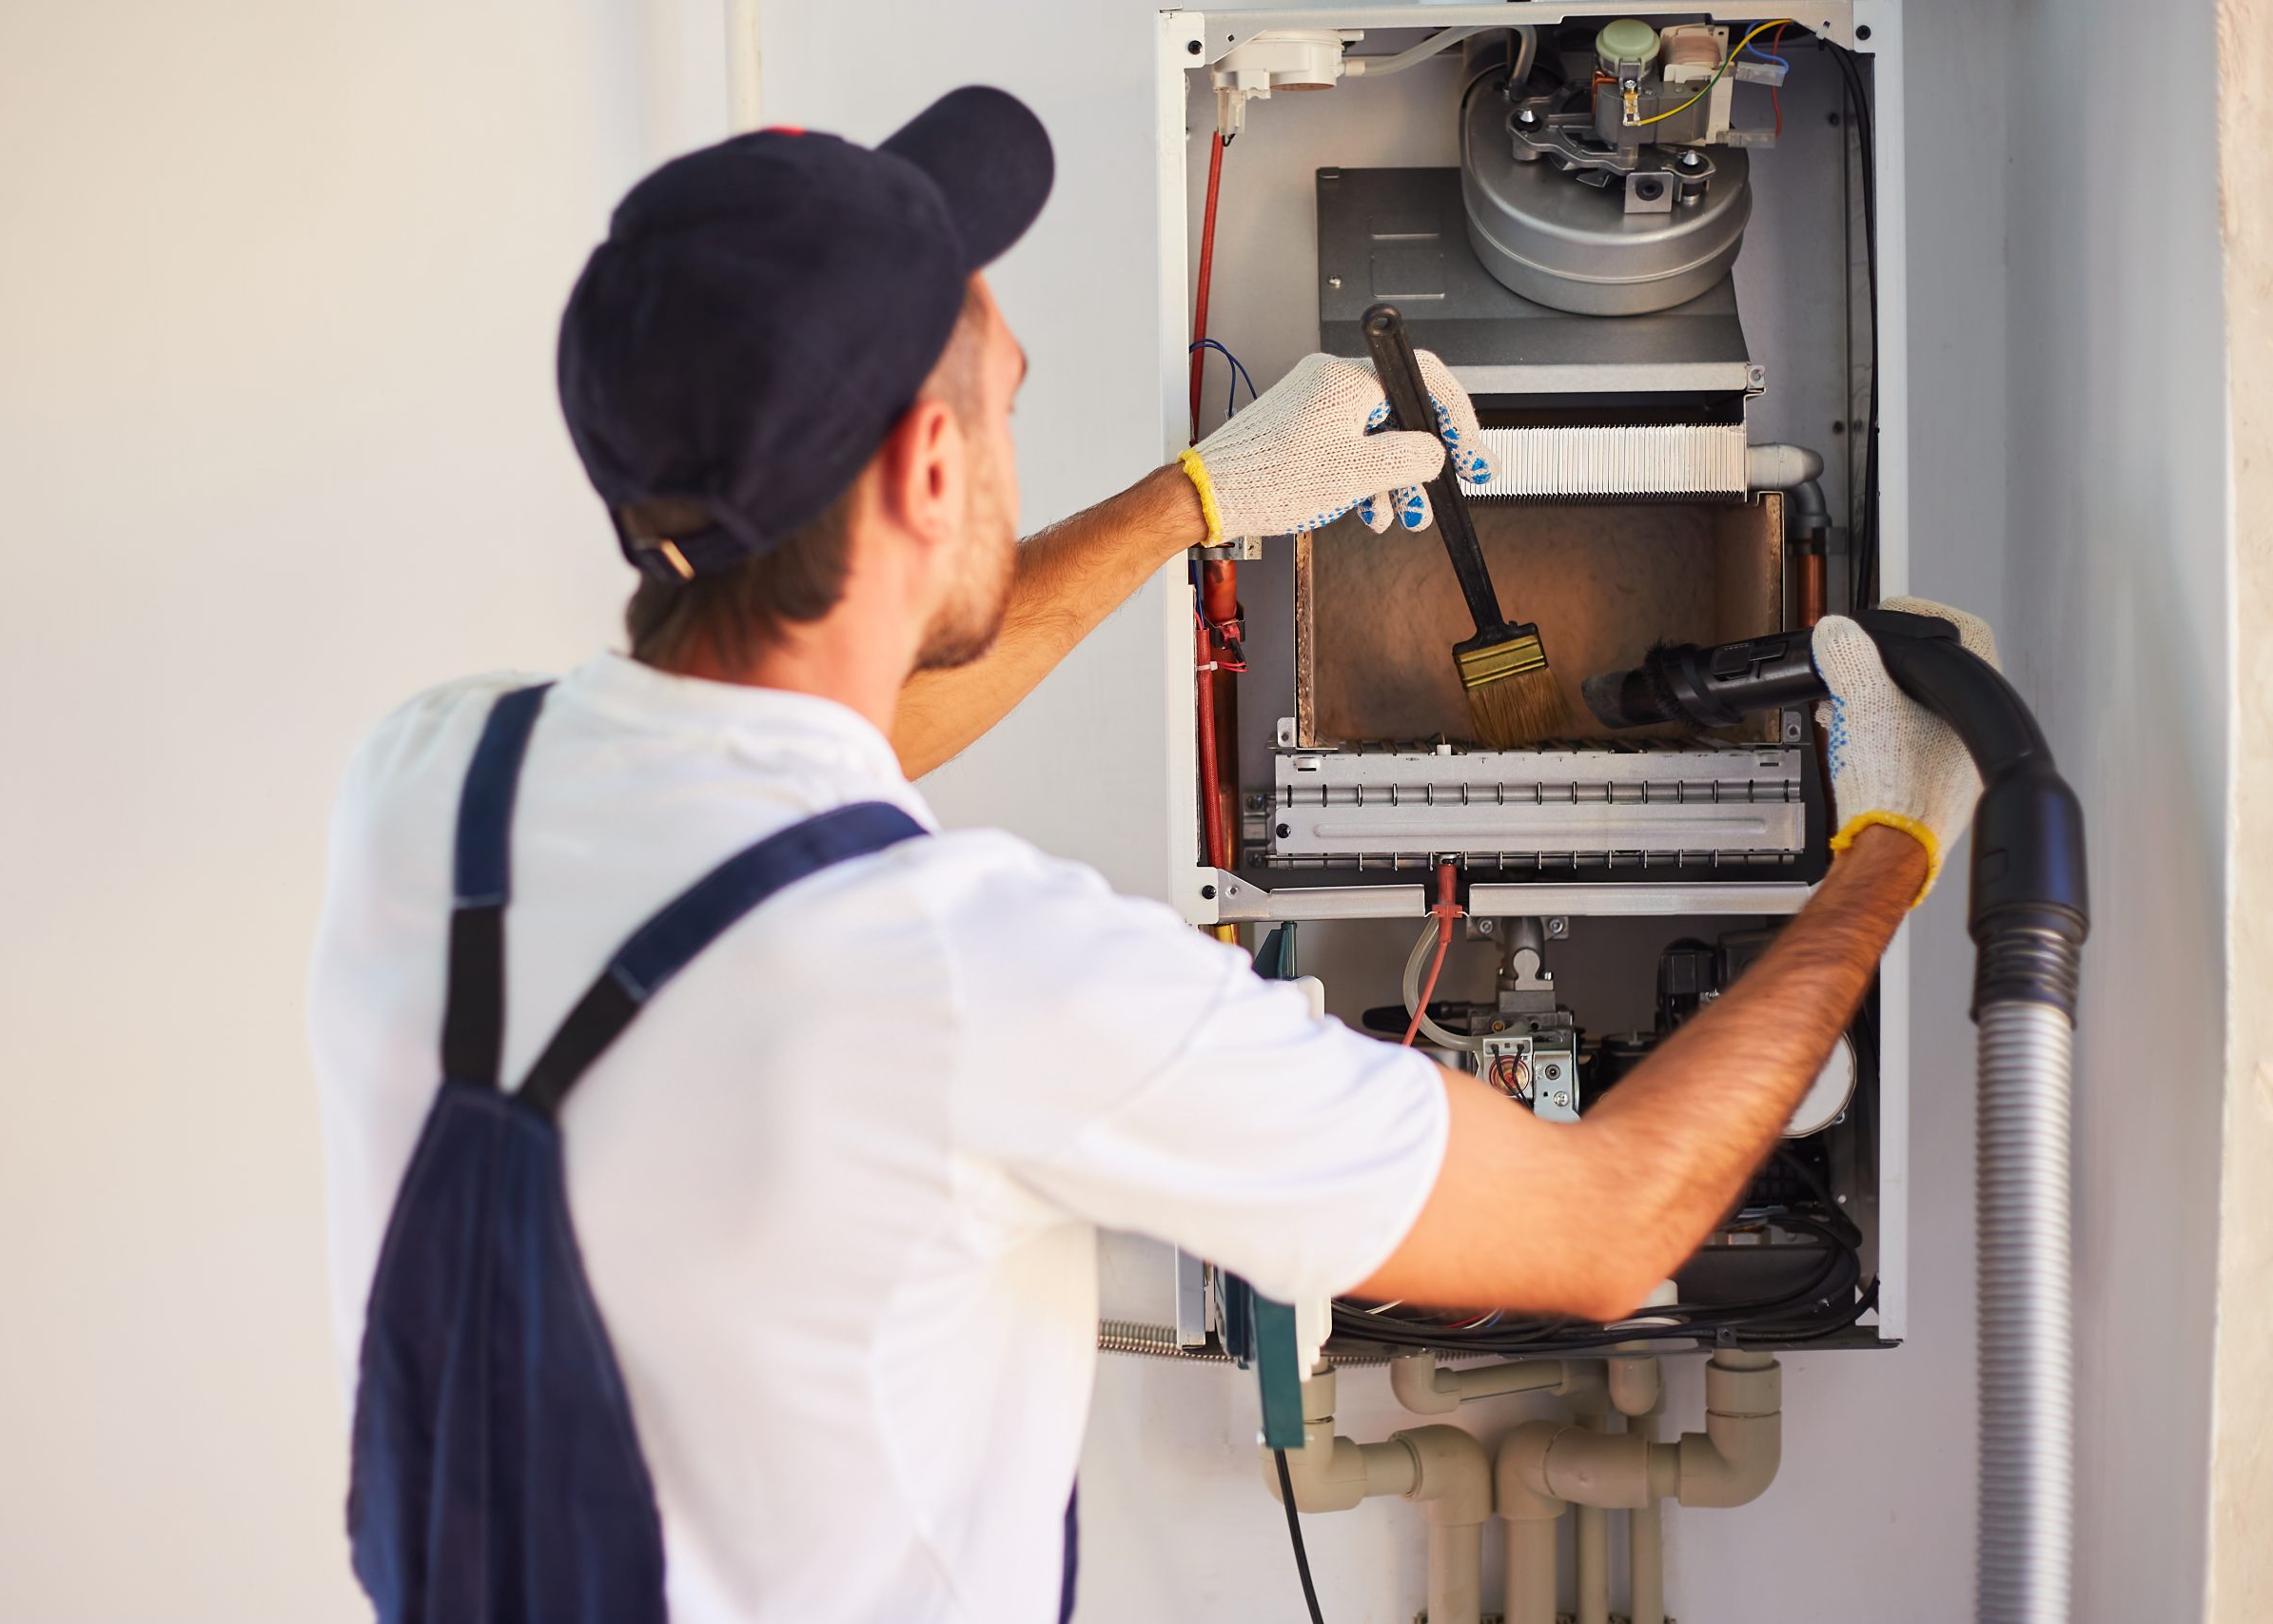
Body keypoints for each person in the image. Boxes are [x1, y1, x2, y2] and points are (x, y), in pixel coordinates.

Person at [308, 87, 1979, 1624]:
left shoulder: (439, 786)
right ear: (934, 468)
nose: (1014, 428)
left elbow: (800, 758)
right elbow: (1606, 1226)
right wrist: (1887, 847)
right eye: (1008, 403)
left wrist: (1201, 498)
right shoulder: (984, 978)